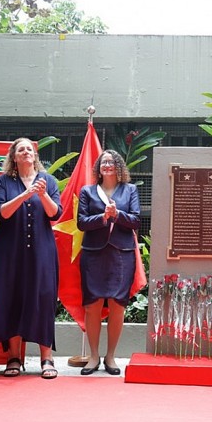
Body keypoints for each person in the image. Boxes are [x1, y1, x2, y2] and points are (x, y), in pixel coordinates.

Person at [0, 138, 62, 379]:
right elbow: (1, 213)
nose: (26, 152)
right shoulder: (3, 181)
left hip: (42, 250)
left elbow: (55, 213)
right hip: (9, 250)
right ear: (14, 157)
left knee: (43, 297)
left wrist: (43, 194)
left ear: (35, 155)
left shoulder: (48, 181)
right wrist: (25, 195)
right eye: (21, 149)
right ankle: (14, 357)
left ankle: (46, 358)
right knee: (10, 297)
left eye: (29, 149)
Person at [76, 150, 140, 376]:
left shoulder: (130, 190)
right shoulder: (88, 191)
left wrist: (117, 214)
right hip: (93, 254)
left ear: (120, 166)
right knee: (92, 305)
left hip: (122, 255)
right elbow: (82, 223)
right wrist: (103, 217)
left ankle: (110, 356)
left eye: (112, 162)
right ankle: (93, 356)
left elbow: (135, 220)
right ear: (98, 168)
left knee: (117, 305)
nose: (108, 165)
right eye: (104, 162)